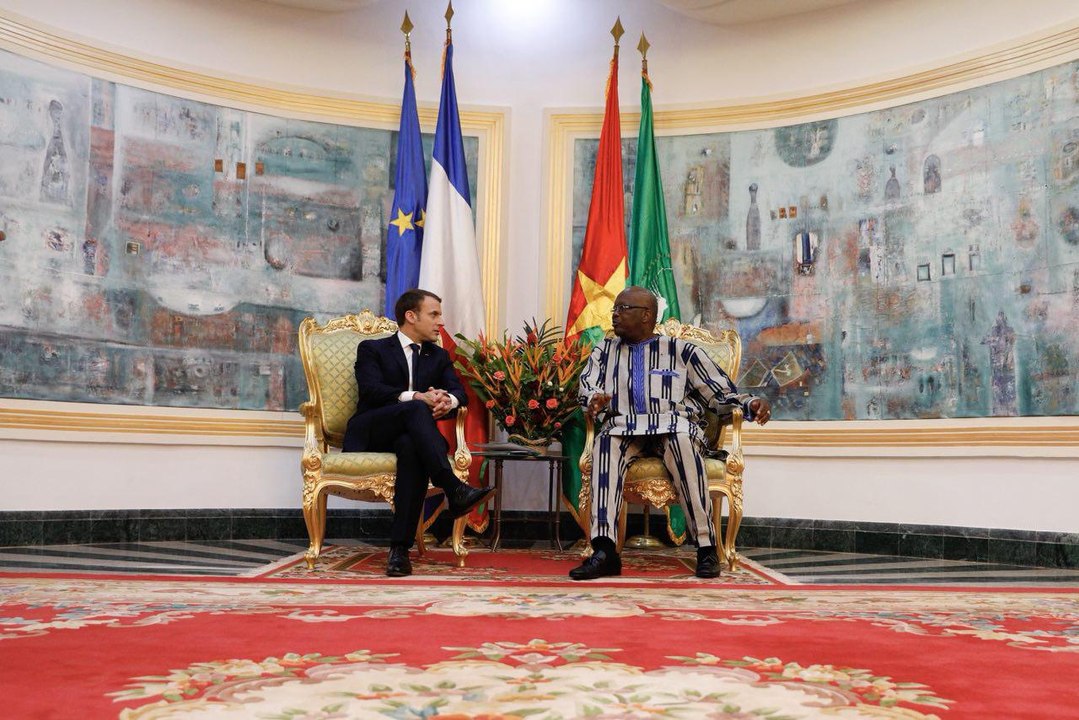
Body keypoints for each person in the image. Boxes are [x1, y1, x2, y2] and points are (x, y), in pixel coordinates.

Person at [569, 286, 772, 581]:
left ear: (646, 315)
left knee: (682, 442)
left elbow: (719, 393)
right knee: (604, 445)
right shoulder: (605, 350)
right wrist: (593, 400)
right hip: (623, 426)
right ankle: (604, 552)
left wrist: (750, 404)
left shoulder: (681, 351)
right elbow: (588, 386)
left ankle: (706, 548)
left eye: (623, 309)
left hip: (672, 425)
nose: (615, 315)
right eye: (615, 309)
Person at [343, 289, 494, 577]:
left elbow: (460, 393)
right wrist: (417, 397)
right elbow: (372, 391)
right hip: (372, 429)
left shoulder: (438, 356)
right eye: (434, 314)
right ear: (411, 316)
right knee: (414, 408)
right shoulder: (372, 349)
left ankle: (399, 551)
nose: (441, 322)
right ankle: (452, 486)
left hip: (413, 436)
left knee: (411, 448)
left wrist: (446, 401)